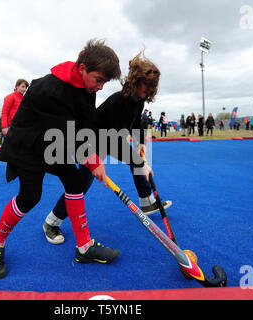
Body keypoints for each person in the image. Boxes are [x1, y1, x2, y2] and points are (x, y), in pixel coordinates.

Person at [0, 39, 122, 279]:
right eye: (98, 80)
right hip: (28, 144)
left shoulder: (87, 89)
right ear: (82, 68)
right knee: (30, 197)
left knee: (75, 183)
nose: (100, 87)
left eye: (104, 83)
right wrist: (93, 159)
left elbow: (83, 126)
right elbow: (68, 134)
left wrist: (95, 153)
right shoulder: (49, 89)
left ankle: (85, 247)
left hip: (54, 142)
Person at [42, 51, 172, 245]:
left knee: (137, 161)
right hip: (87, 143)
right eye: (147, 88)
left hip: (106, 140)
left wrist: (141, 143)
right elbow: (113, 143)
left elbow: (136, 122)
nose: (149, 92)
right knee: (81, 185)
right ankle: (51, 222)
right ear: (136, 81)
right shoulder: (121, 101)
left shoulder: (138, 100)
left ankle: (146, 201)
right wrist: (139, 161)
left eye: (151, 89)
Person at [0, 79, 29, 176]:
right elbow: (4, 113)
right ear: (17, 86)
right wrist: (4, 127)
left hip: (20, 128)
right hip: (10, 127)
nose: (24, 89)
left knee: (17, 148)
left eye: (25, 87)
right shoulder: (10, 97)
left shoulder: (23, 99)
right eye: (22, 86)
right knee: (8, 148)